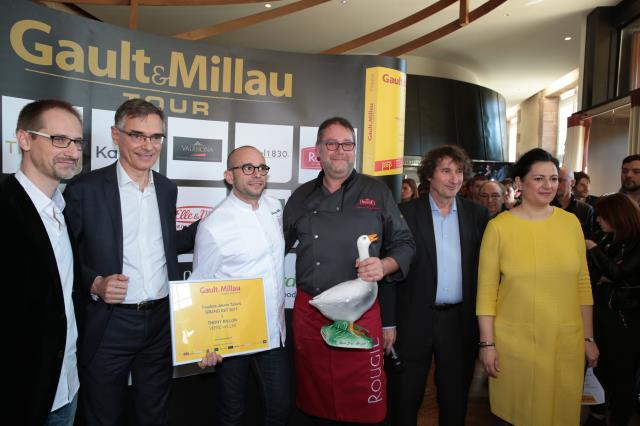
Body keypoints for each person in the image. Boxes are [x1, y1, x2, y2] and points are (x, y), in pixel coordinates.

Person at [63, 99, 204, 425]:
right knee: (103, 415)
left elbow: (168, 244)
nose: (148, 145)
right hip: (109, 324)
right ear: (116, 135)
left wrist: (219, 220)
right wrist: (95, 282)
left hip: (159, 322)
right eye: (138, 135)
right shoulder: (85, 189)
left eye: (156, 137)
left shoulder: (168, 189)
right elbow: (64, 254)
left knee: (154, 414)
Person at [283, 116, 415, 424]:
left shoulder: (377, 191)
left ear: (354, 149)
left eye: (346, 144)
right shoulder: (300, 197)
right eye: (331, 144)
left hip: (361, 312)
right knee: (313, 398)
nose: (339, 151)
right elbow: (272, 245)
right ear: (318, 150)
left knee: (364, 401)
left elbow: (405, 244)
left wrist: (383, 265)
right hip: (310, 312)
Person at [477, 148, 599, 426]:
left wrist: (588, 338)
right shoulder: (499, 228)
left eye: (554, 179)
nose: (548, 186)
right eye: (539, 178)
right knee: (517, 414)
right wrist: (487, 344)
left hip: (564, 341)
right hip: (516, 344)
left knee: (559, 413)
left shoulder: (570, 224)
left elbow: (582, 284)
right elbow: (486, 292)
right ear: (519, 182)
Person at [388, 145, 490, 426]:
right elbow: (390, 273)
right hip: (413, 319)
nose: (454, 178)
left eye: (459, 171)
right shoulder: (404, 213)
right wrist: (389, 323)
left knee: (455, 400)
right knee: (405, 398)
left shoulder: (478, 215)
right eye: (446, 170)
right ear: (429, 175)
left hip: (459, 321)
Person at [191, 146, 290, 425]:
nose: (257, 174)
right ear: (229, 176)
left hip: (273, 333)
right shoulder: (214, 225)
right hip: (233, 338)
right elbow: (201, 285)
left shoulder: (274, 208)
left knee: (279, 409)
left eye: (261, 168)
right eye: (247, 168)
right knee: (232, 413)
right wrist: (202, 344)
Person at [2, 99, 85, 426]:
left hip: (66, 386)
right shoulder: (7, 208)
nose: (72, 151)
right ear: (24, 139)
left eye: (77, 142)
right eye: (59, 139)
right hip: (20, 396)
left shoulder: (61, 209)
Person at [584, 194, 640, 426]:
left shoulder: (636, 241)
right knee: (599, 370)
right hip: (601, 315)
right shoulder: (607, 238)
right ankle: (597, 415)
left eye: (602, 216)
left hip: (626, 320)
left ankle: (618, 419)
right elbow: (595, 276)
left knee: (622, 376)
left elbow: (619, 273)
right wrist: (606, 270)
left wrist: (595, 251)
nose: (598, 220)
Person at [552, 167, 595, 238]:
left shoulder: (586, 210)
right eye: (554, 180)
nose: (556, 184)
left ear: (572, 183)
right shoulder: (545, 206)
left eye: (560, 180)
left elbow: (587, 240)